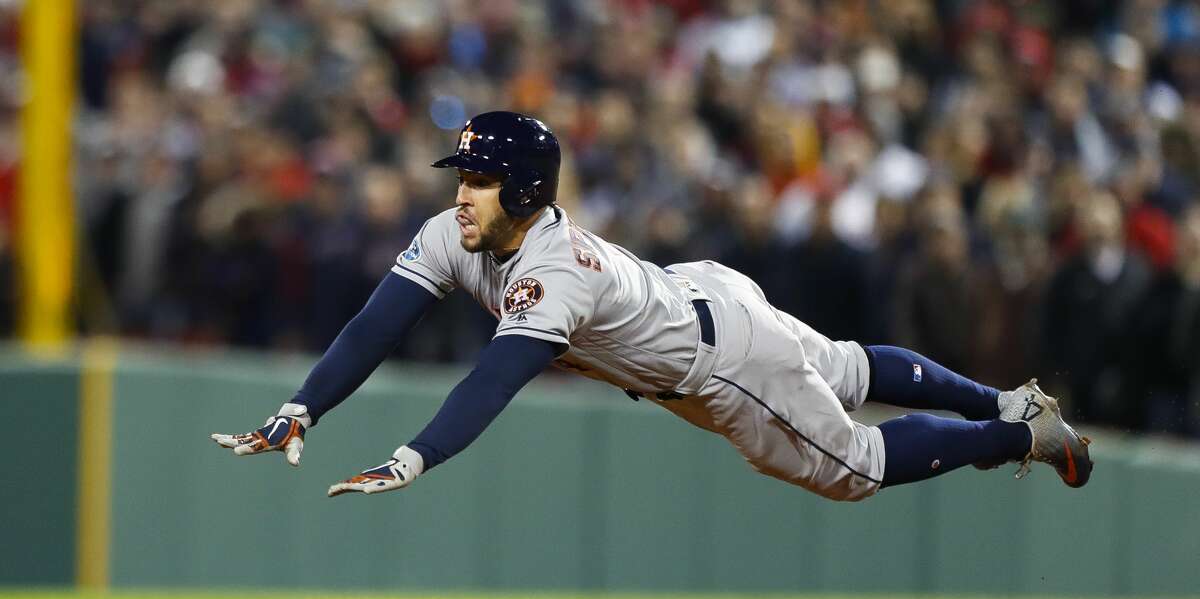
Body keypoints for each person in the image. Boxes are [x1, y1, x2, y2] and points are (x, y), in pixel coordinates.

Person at [212, 111, 1092, 501]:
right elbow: (376, 325)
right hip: (701, 292)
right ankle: (1006, 400)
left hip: (721, 365)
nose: (463, 193)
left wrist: (412, 458)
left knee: (854, 468)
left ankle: (1020, 431)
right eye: (463, 177)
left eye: (479, 179)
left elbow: (494, 379)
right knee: (852, 367)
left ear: (520, 188)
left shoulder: (553, 273)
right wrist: (301, 409)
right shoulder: (458, 233)